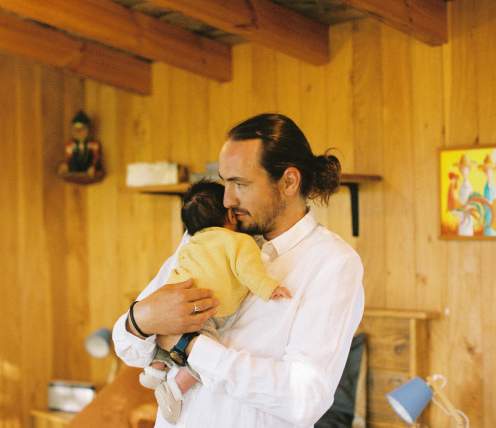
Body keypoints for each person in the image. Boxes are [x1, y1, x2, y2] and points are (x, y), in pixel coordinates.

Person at [113, 113, 365, 428]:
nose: (227, 199)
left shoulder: (333, 263)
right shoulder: (205, 235)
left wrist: (190, 346)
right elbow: (129, 349)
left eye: (240, 184)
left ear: (289, 181)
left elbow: (304, 399)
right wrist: (140, 319)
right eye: (225, 181)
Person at [140, 179, 292, 423]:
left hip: (174, 304)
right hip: (205, 312)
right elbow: (249, 271)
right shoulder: (240, 242)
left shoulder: (191, 244)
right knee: (205, 354)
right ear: (231, 215)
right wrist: (269, 288)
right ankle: (174, 390)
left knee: (169, 334)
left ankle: (156, 369)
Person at [57, 111, 102, 177]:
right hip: (76, 169)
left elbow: (96, 157)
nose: (78, 132)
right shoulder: (70, 145)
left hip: (88, 168)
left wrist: (93, 166)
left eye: (82, 129)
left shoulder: (93, 144)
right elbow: (69, 158)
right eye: (75, 129)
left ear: (88, 130)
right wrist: (65, 165)